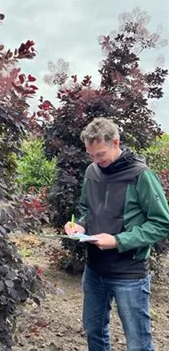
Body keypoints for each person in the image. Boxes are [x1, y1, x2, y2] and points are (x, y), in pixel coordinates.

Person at [64, 117, 169, 351]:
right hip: (95, 269)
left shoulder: (140, 175)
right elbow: (86, 209)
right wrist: (80, 226)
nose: (96, 161)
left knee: (137, 342)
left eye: (100, 154)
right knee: (94, 332)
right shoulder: (92, 172)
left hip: (129, 273)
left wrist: (119, 241)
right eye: (91, 155)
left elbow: (162, 223)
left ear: (116, 142)